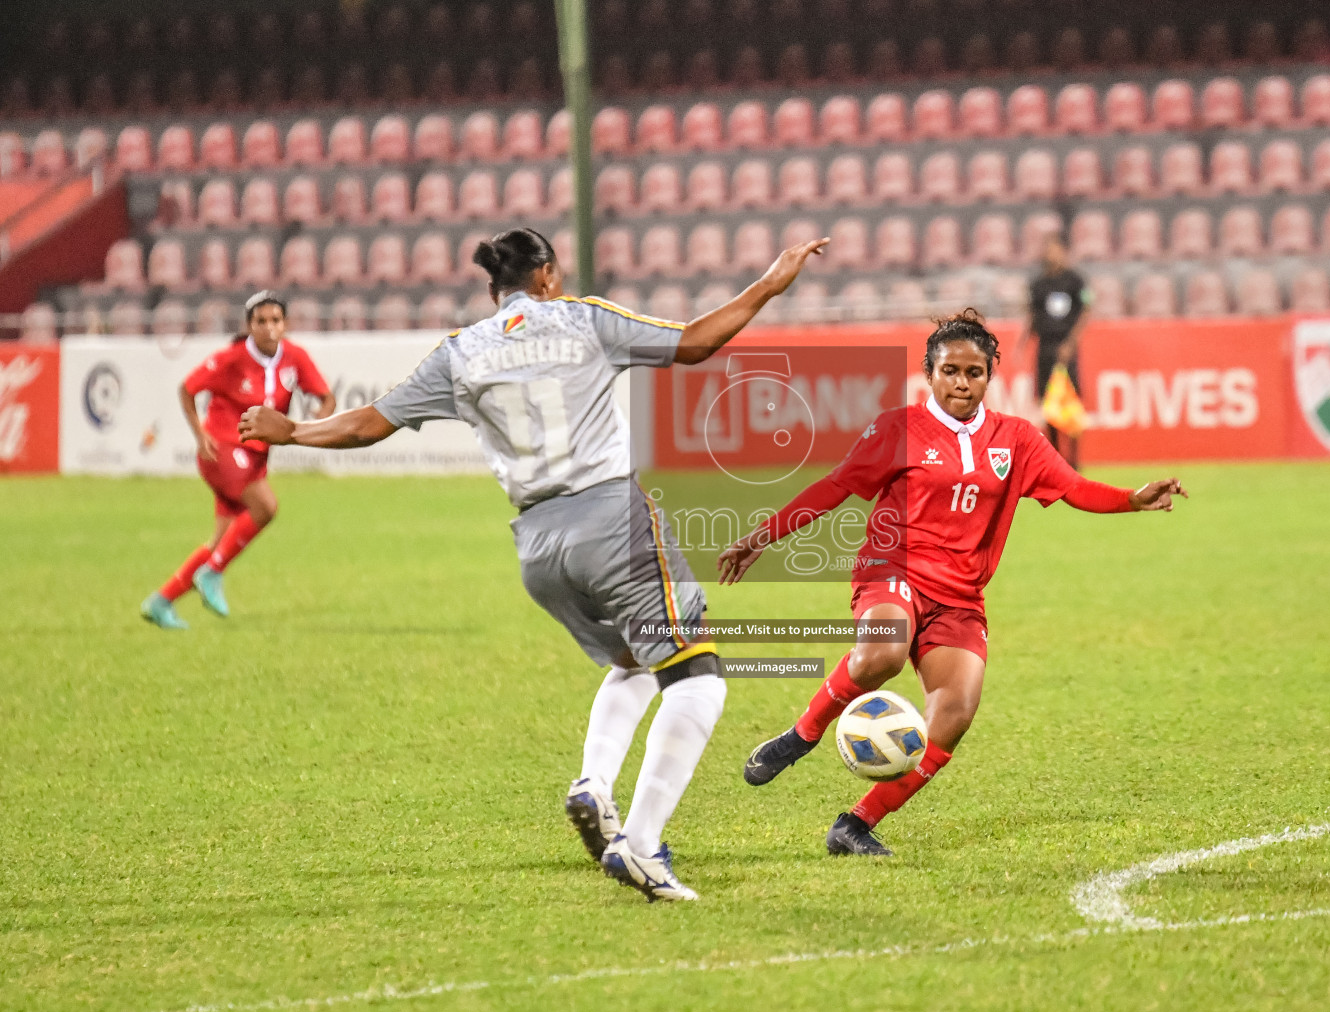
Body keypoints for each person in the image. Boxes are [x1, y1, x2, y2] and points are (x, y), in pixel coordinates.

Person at [240, 227, 828, 901]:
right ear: (546, 274)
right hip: (612, 518)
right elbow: (694, 342)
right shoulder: (581, 319)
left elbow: (368, 424)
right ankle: (639, 846)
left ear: (494, 288)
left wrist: (294, 433)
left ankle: (594, 786)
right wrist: (771, 283)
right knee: (700, 678)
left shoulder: (461, 352)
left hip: (539, 549)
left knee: (634, 660)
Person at [717, 310, 1186, 856]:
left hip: (960, 597)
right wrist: (763, 536)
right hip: (894, 572)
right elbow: (837, 486)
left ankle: (855, 825)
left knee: (955, 712)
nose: (962, 382)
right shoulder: (899, 428)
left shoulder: (1017, 439)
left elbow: (1073, 488)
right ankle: (801, 736)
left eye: (975, 372)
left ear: (990, 376)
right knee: (882, 654)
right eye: (950, 371)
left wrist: (1132, 499)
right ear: (929, 374)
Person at [141, 291, 334, 630]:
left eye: (276, 320)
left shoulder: (295, 358)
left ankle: (162, 601)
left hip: (256, 456)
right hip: (223, 449)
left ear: (285, 324)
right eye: (261, 321)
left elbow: (326, 398)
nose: (269, 328)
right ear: (249, 326)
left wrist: (318, 420)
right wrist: (200, 435)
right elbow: (187, 389)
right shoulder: (231, 358)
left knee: (222, 540)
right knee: (265, 507)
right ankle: (213, 574)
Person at [1026, 235, 1092, 468]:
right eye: (1049, 250)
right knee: (1049, 405)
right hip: (1045, 348)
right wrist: (1023, 341)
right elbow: (1032, 316)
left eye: (1056, 250)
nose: (1052, 255)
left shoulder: (1075, 281)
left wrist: (1071, 343)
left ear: (1063, 252)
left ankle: (1074, 459)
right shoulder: (1038, 284)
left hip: (1066, 349)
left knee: (1070, 402)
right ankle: (1054, 457)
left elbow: (1086, 310)